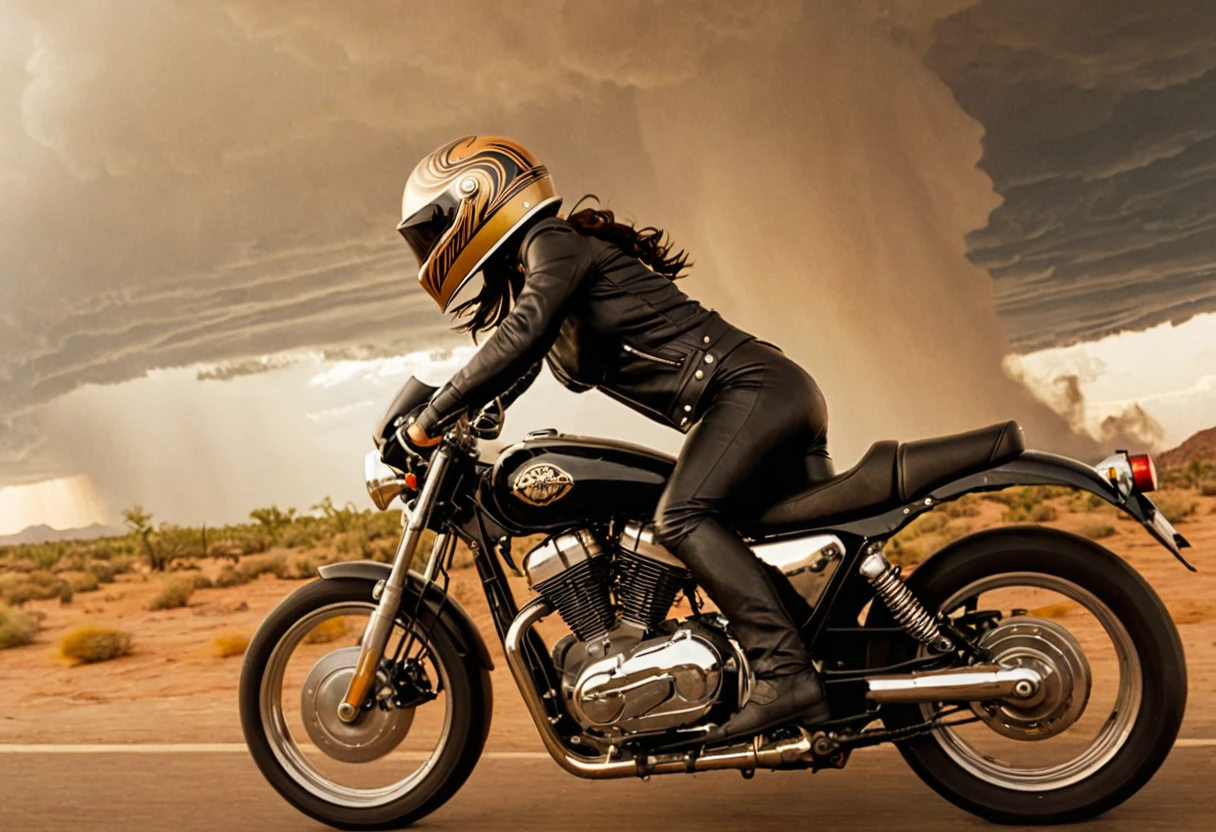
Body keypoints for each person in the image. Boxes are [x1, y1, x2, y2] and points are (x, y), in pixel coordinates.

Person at [399, 135, 832, 741]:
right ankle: (818, 666)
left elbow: (521, 335)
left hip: (751, 392)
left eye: (434, 227)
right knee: (791, 545)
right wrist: (471, 413)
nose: (431, 244)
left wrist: (429, 418)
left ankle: (785, 676)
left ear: (477, 197)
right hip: (765, 391)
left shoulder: (552, 243)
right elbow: (522, 360)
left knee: (679, 516)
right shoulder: (551, 266)